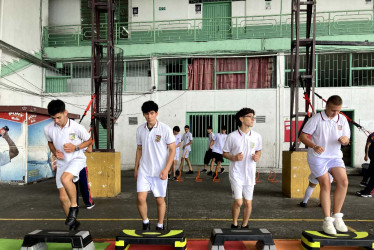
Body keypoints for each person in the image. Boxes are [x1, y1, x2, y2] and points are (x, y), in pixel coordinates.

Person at [299, 95, 350, 235]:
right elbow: (302, 136)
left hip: (334, 156)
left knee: (344, 181)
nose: (335, 113)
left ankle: (337, 217)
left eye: (338, 110)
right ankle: (327, 220)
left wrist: (345, 140)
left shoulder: (342, 119)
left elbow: (346, 140)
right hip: (318, 157)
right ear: (326, 106)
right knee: (325, 183)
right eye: (333, 110)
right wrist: (314, 146)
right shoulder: (316, 119)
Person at [44, 99, 92, 230]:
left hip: (76, 159)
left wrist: (76, 147)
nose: (56, 121)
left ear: (66, 112)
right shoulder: (48, 129)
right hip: (61, 163)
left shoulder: (76, 127)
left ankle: (74, 207)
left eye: (58, 117)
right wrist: (55, 152)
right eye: (53, 118)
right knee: (62, 197)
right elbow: (50, 143)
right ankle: (73, 225)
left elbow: (89, 141)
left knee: (65, 179)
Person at [134, 101, 176, 231]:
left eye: (152, 113)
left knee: (159, 200)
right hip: (144, 171)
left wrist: (166, 169)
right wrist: (136, 168)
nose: (149, 116)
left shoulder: (165, 129)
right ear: (143, 114)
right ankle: (145, 222)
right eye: (146, 113)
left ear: (156, 113)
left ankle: (160, 224)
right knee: (140, 198)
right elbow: (139, 149)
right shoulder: (140, 130)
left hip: (160, 172)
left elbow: (172, 150)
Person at [223, 108, 262, 228]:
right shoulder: (232, 136)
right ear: (241, 118)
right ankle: (234, 223)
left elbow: (259, 150)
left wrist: (257, 156)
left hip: (250, 174)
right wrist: (233, 157)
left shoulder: (256, 136)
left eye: (253, 117)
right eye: (250, 116)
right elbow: (224, 153)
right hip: (236, 173)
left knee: (248, 202)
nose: (252, 119)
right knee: (239, 201)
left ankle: (245, 225)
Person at [356, 132, 374, 197]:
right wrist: (366, 155)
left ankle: (368, 192)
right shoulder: (372, 136)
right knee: (371, 172)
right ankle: (366, 190)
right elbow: (367, 145)